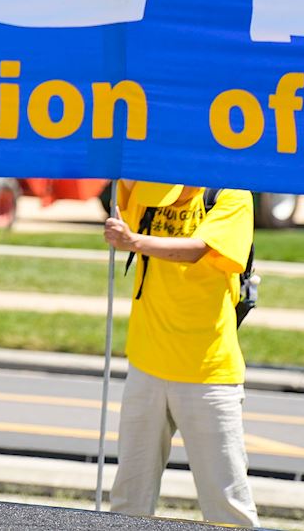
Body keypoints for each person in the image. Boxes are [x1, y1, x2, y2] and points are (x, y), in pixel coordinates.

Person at [102, 179, 258, 526]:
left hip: (208, 373)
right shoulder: (151, 187)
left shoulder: (230, 194)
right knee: (129, 499)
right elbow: (120, 199)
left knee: (227, 504)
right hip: (146, 366)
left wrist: (133, 241)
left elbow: (198, 249)